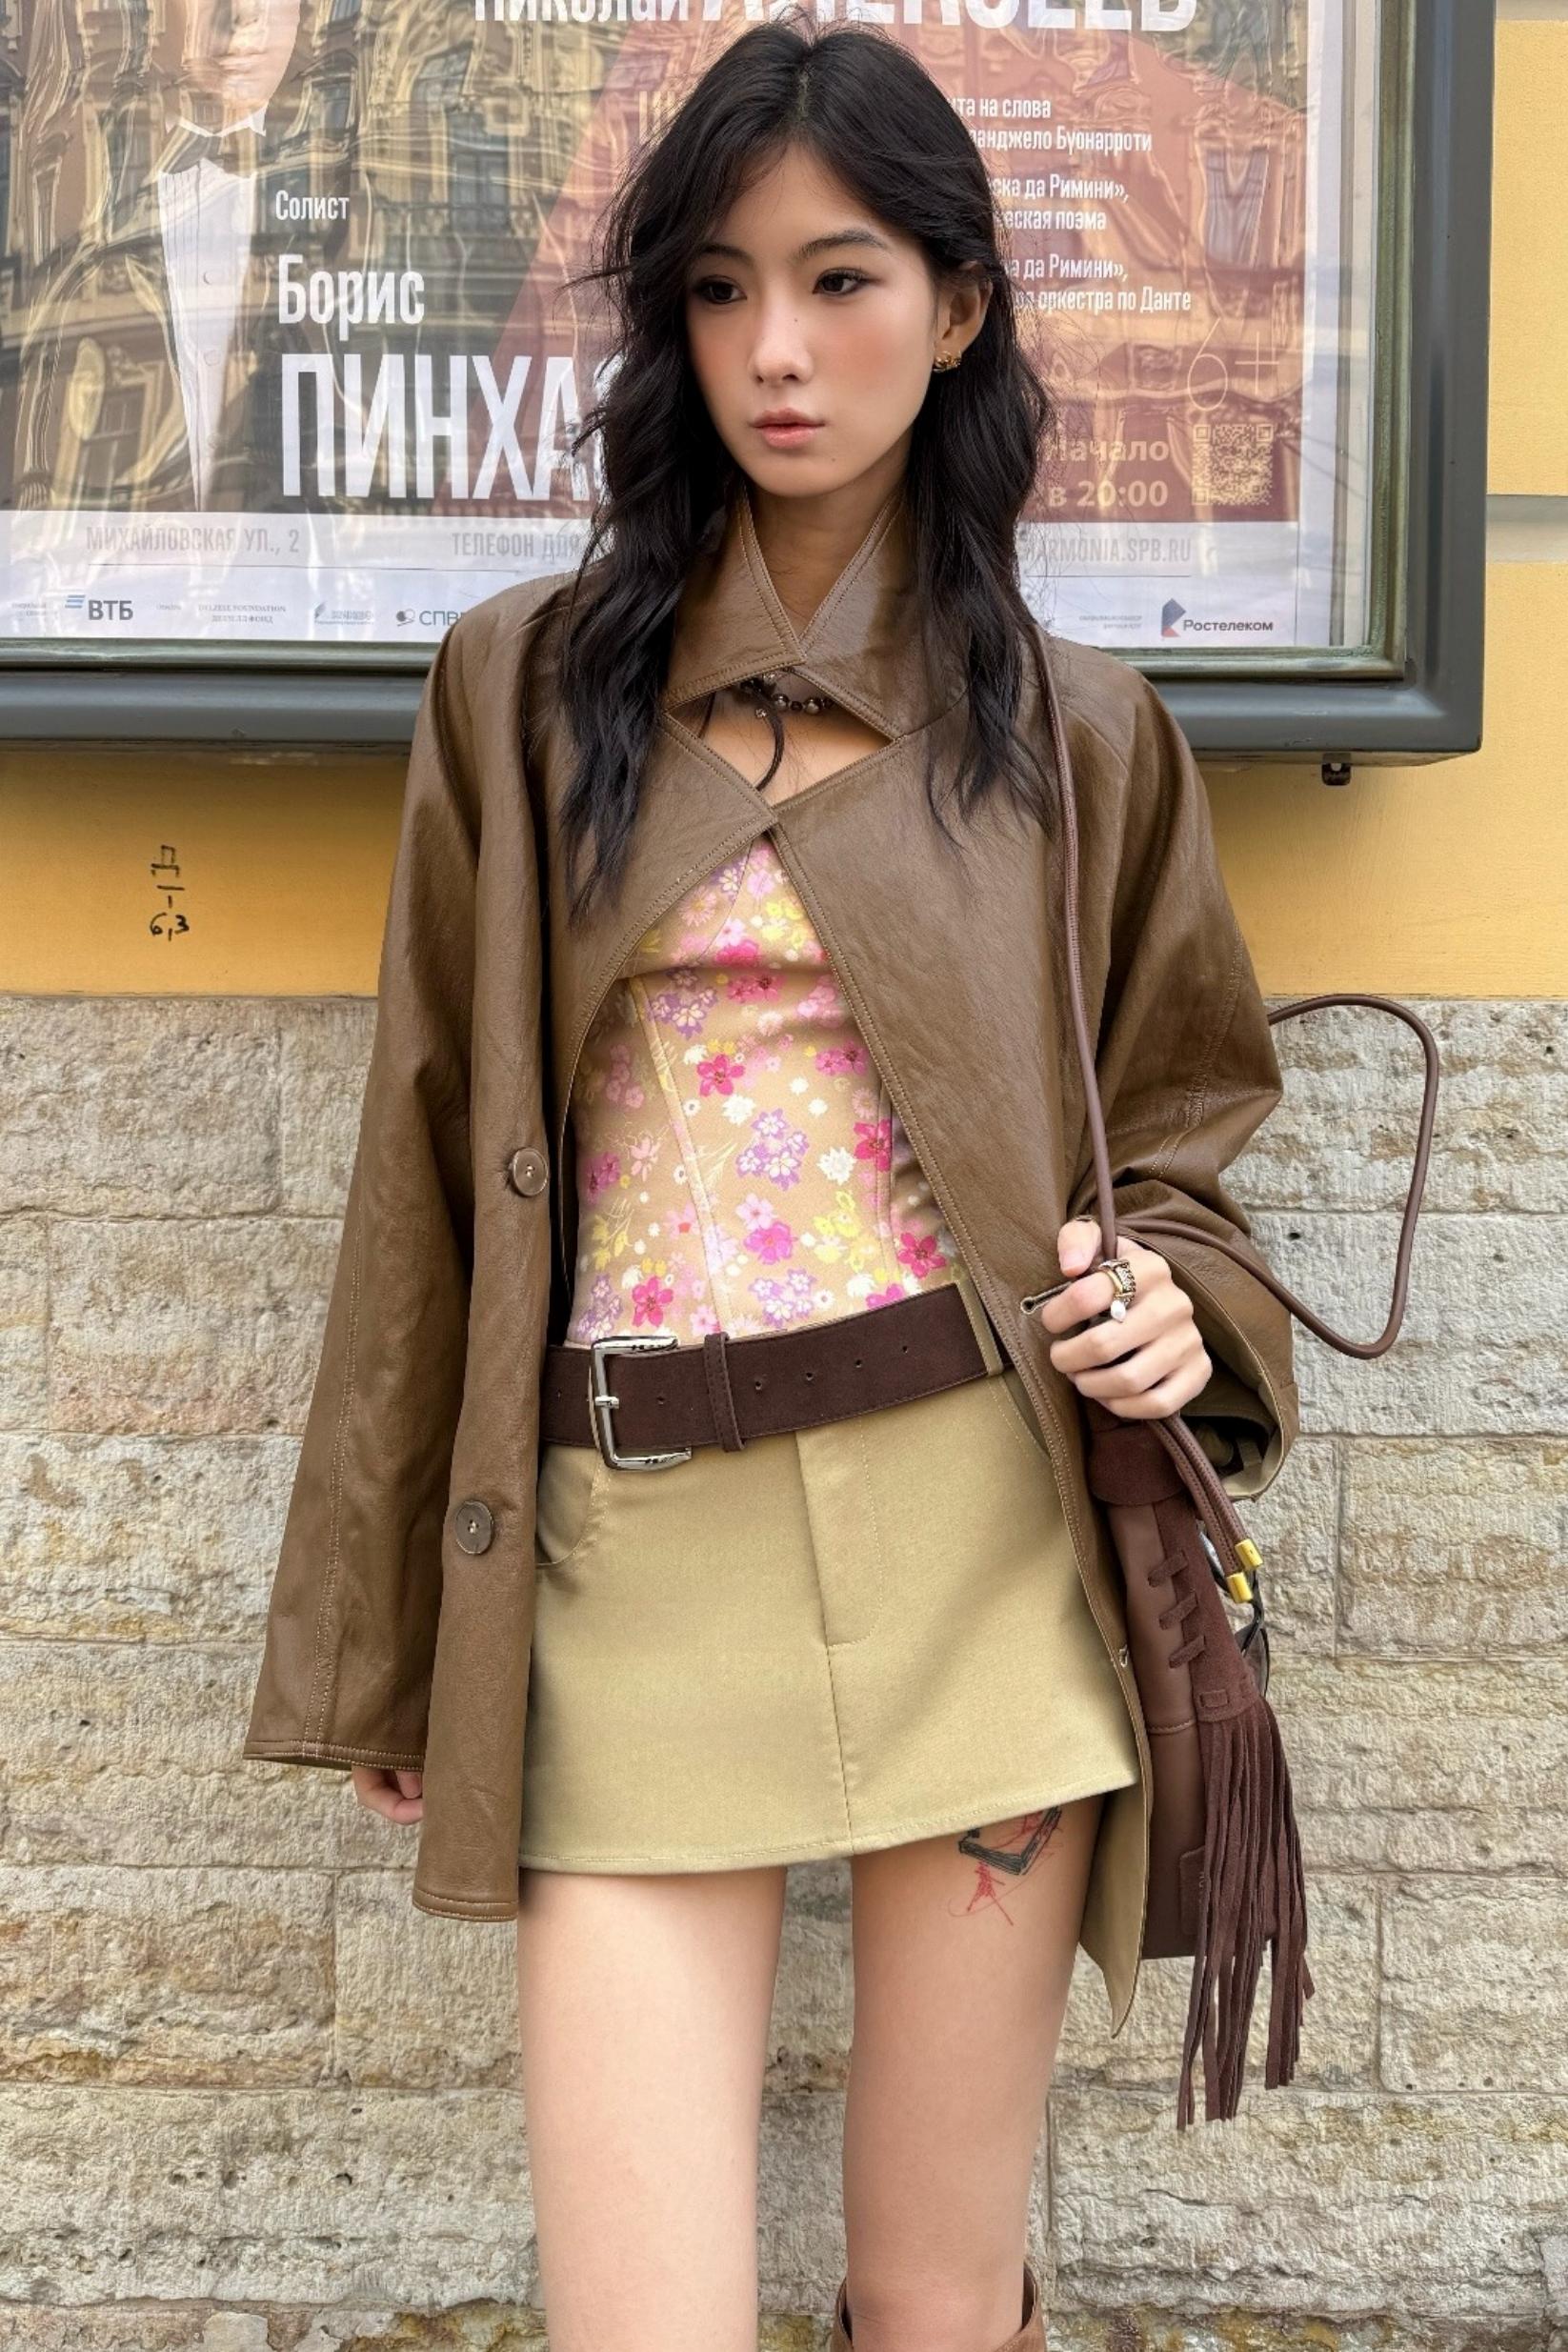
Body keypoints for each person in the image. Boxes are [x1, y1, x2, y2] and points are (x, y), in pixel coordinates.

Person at [241, 17, 1298, 2350]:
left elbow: (1185, 1125)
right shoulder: (523, 693)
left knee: (937, 2301)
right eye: (718, 290)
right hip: (628, 1553)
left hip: (982, 1546)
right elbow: (427, 1160)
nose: (776, 352)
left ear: (960, 302)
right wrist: (389, 1626)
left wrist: (1173, 1300)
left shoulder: (1079, 726)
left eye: (838, 280)